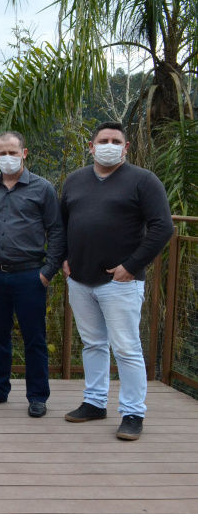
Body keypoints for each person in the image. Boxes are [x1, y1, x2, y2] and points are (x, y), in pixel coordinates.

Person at [61, 121, 173, 440]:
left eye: (115, 140)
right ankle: (95, 402)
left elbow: (162, 227)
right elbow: (62, 224)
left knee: (126, 347)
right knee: (93, 343)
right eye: (102, 140)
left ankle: (133, 412)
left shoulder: (143, 181)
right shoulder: (75, 181)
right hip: (80, 280)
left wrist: (132, 265)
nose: (109, 144)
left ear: (125, 147)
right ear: (91, 146)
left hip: (121, 282)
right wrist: (64, 259)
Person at [0, 131, 65, 417]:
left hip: (30, 275)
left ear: (24, 153)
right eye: (2, 153)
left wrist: (48, 272)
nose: (7, 158)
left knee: (34, 337)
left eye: (13, 152)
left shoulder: (42, 188)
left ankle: (37, 396)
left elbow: (57, 231)